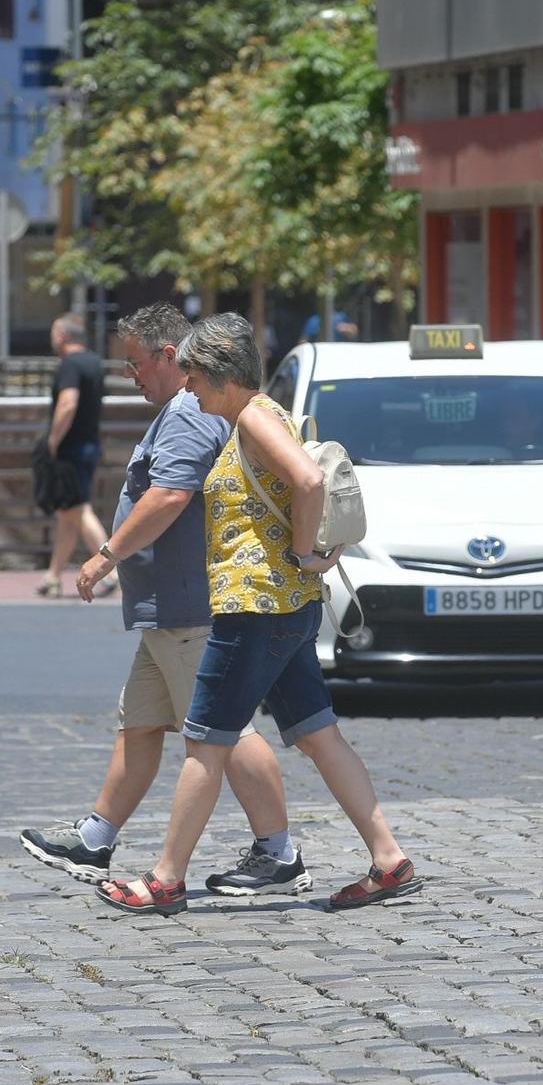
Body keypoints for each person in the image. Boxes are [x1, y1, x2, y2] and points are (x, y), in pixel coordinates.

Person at [96, 312, 419, 916]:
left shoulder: (251, 418)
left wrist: (301, 551)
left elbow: (304, 479)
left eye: (193, 377)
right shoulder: (263, 415)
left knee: (205, 744)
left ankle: (166, 878)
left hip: (256, 609)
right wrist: (300, 562)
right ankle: (387, 858)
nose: (187, 388)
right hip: (287, 606)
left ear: (220, 375)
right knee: (320, 735)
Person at [19, 304, 311, 896]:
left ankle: (277, 851)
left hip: (188, 607)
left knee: (225, 729)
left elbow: (170, 495)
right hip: (167, 611)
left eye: (134, 363)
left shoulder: (188, 413)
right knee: (142, 721)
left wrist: (107, 556)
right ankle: (97, 837)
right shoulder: (185, 408)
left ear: (168, 356)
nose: (130, 375)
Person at [37, 312, 110, 597]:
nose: (52, 339)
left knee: (77, 509)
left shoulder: (69, 365)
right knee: (66, 512)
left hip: (71, 448)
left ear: (64, 336)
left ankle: (110, 568)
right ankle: (53, 576)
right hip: (90, 443)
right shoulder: (94, 363)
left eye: (54, 333)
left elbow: (68, 403)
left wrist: (53, 441)